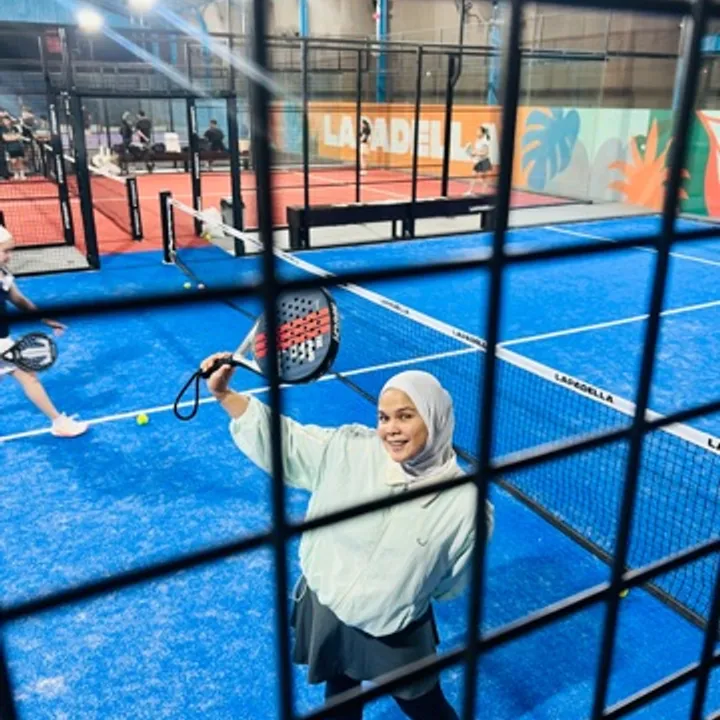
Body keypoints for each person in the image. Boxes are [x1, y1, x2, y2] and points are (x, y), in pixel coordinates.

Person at [201, 356, 494, 720]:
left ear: (435, 419)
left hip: (395, 626)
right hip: (329, 603)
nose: (391, 430)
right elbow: (288, 441)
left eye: (405, 416)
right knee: (340, 689)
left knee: (425, 705)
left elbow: (451, 581)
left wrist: (399, 594)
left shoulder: (465, 507)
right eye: (384, 418)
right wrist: (224, 394)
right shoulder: (349, 448)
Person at [0, 229, 88, 437]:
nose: (9, 256)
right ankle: (59, 423)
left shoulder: (3, 274)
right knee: (29, 376)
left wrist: (46, 319)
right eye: (5, 251)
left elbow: (19, 300)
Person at [465, 125, 492, 195]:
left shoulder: (485, 141)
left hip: (484, 161)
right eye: (477, 131)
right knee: (473, 176)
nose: (477, 132)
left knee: (482, 179)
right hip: (478, 161)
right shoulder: (477, 140)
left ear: (482, 133)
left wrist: (476, 153)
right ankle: (470, 191)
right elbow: (477, 150)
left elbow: (485, 152)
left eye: (478, 131)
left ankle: (484, 193)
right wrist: (472, 153)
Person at [0, 115, 27, 181]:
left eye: (7, 120)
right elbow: (6, 138)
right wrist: (14, 137)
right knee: (13, 161)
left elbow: (19, 135)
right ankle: (16, 174)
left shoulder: (15, 128)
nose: (6, 122)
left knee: (20, 160)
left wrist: (13, 137)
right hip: (9, 147)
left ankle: (22, 174)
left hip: (18, 146)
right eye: (4, 121)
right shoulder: (2, 129)